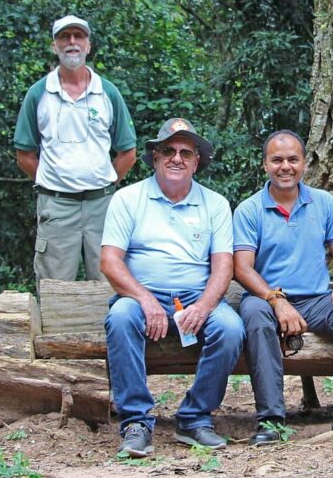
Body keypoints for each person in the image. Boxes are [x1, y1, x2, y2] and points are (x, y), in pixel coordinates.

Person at [101, 118, 244, 457]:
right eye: (168, 150)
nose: (176, 158)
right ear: (155, 157)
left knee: (230, 327)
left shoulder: (216, 204)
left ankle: (194, 418)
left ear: (197, 161)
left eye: (185, 152)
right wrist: (144, 299)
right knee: (120, 317)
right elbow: (110, 261)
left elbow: (224, 265)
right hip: (139, 296)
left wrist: (205, 306)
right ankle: (135, 422)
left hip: (195, 296)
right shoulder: (127, 199)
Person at [233, 130, 333, 445]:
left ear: (304, 163)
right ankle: (271, 420)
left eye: (292, 159)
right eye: (277, 160)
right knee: (256, 318)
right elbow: (242, 267)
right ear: (265, 165)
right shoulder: (249, 209)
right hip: (266, 300)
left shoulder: (323, 202)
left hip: (316, 300)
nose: (285, 166)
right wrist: (276, 301)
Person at [14, 15, 137, 283]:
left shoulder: (107, 92)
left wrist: (105, 182)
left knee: (112, 286)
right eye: (64, 37)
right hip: (56, 206)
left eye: (78, 36)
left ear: (88, 45)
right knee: (54, 289)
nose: (72, 42)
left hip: (102, 206)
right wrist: (51, 181)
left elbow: (128, 152)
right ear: (54, 45)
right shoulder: (39, 94)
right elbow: (24, 154)